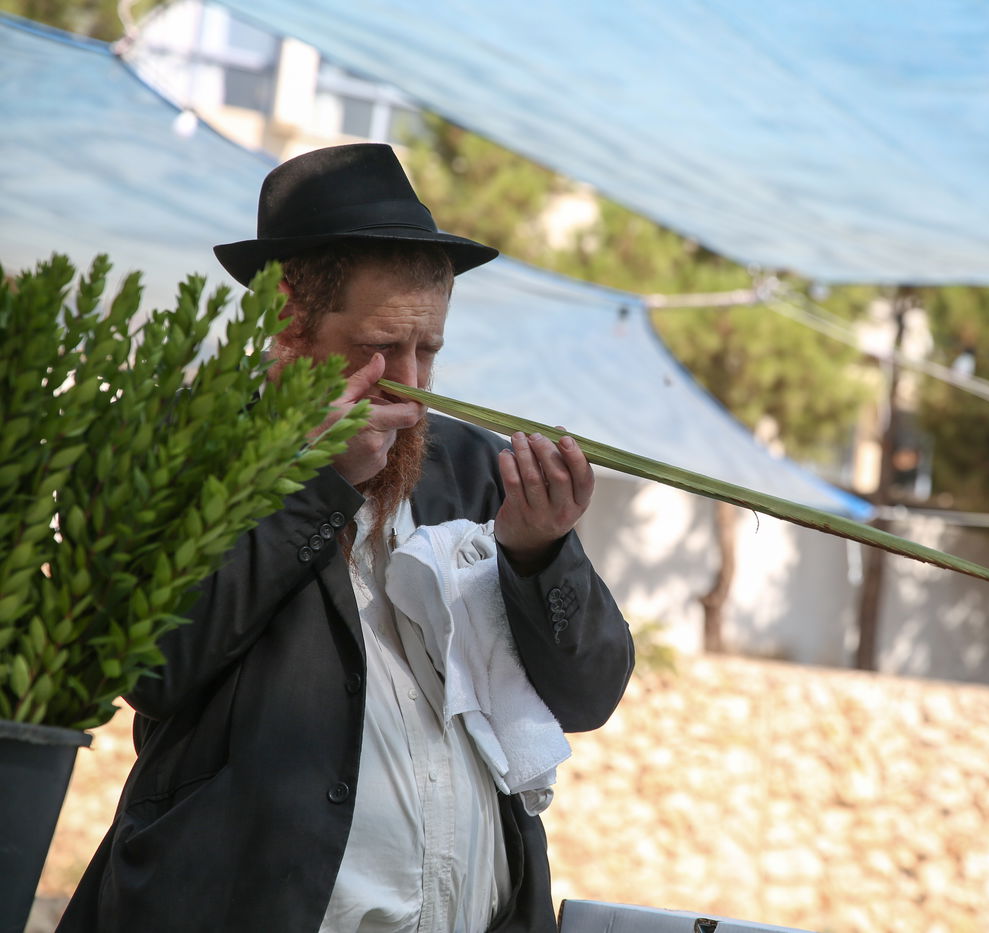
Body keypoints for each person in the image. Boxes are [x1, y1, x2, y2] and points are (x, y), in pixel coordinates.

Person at [59, 143, 634, 933]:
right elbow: (155, 665)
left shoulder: (469, 465)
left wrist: (540, 553)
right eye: (382, 345)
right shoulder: (179, 447)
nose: (412, 381)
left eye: (428, 348)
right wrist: (316, 484)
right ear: (289, 322)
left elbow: (589, 694)